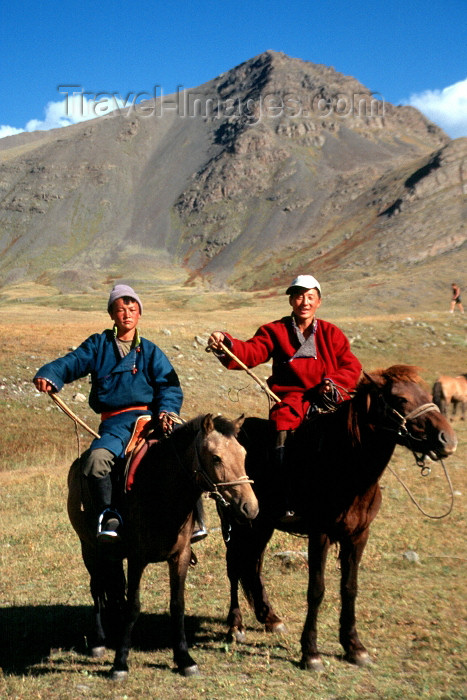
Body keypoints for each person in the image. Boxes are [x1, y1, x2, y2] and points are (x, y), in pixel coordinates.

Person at [34, 284, 206, 544]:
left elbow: (169, 386)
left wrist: (167, 412)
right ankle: (108, 514)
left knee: (187, 450)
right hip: (115, 424)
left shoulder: (150, 351)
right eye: (120, 309)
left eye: (132, 309)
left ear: (139, 314)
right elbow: (72, 362)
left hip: (151, 419)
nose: (127, 314)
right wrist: (50, 373)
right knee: (96, 460)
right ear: (112, 315)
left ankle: (194, 518)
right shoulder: (98, 345)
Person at [208, 274, 362, 519]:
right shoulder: (275, 331)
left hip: (328, 401)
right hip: (291, 400)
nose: (305, 302)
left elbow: (351, 367)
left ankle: (348, 495)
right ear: (291, 300)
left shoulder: (332, 334)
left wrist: (332, 383)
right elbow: (251, 352)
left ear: (319, 302)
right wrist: (226, 343)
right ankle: (283, 494)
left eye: (310, 297)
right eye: (299, 296)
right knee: (282, 426)